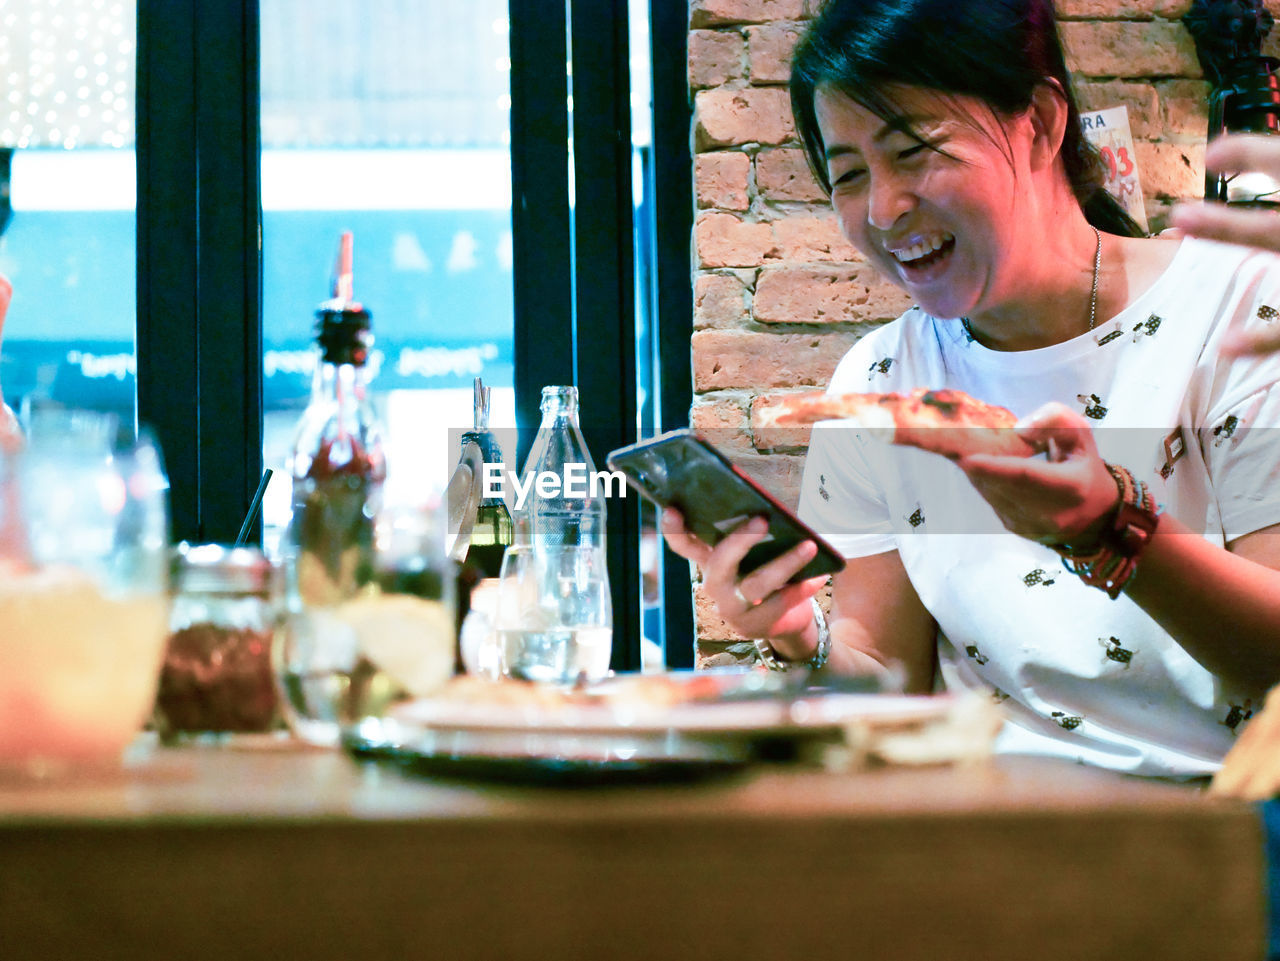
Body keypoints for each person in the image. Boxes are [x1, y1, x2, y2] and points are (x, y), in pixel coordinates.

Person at [663, 0, 1280, 779]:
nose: (883, 209)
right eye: (849, 174)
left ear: (1042, 124)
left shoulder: (1242, 310)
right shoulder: (879, 384)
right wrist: (796, 632)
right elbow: (890, 688)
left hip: (1224, 840)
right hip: (978, 837)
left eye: (915, 150)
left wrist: (1110, 529)